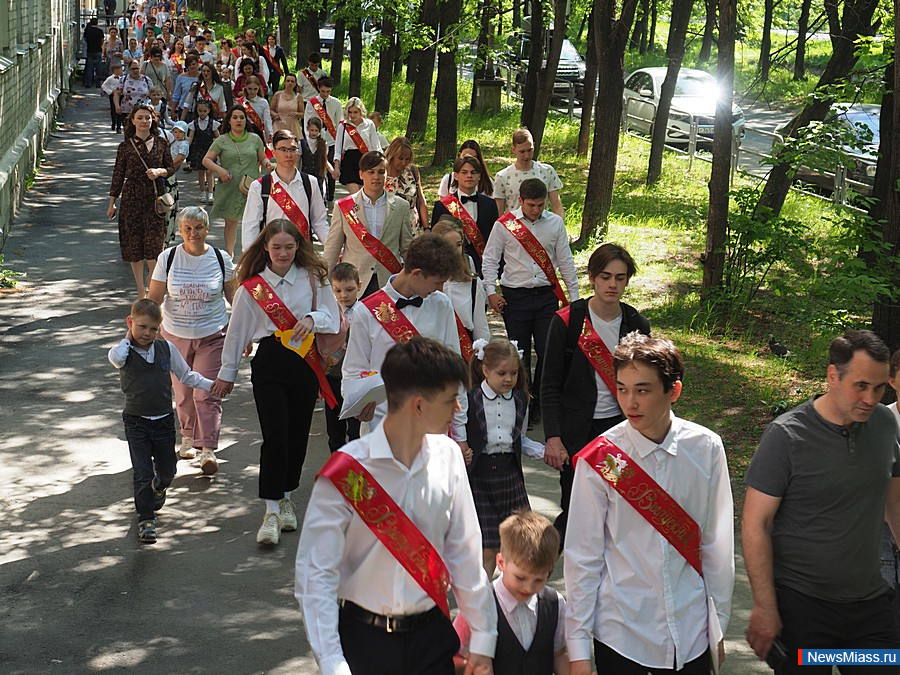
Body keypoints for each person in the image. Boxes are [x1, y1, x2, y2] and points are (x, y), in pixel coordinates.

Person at [295, 336, 497, 675]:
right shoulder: (347, 473)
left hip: (433, 637)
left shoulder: (448, 458)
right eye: (450, 401)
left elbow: (464, 554)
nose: (458, 410)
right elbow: (316, 574)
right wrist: (332, 661)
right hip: (364, 643)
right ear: (418, 406)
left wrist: (483, 638)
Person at [565, 332, 734, 675]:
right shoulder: (602, 458)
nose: (630, 403)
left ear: (674, 391)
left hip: (692, 633)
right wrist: (578, 648)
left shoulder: (707, 448)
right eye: (622, 388)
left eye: (642, 390)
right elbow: (583, 555)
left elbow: (717, 544)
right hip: (622, 634)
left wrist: (718, 624)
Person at [743, 330, 900, 673]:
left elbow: (894, 502)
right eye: (861, 386)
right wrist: (765, 605)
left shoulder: (886, 424)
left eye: (878, 388)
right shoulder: (786, 436)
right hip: (804, 609)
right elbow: (757, 523)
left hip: (871, 607)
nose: (871, 399)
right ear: (833, 375)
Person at [211, 219, 340, 545]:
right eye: (276, 247)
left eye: (289, 246)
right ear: (265, 248)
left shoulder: (314, 277)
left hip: (305, 361)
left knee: (297, 435)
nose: (283, 253)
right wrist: (226, 374)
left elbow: (333, 316)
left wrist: (313, 319)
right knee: (275, 435)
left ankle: (286, 496)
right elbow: (237, 331)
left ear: (298, 247)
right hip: (269, 361)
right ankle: (270, 511)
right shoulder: (251, 287)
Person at [540, 243, 650, 539]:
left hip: (618, 434)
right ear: (591, 277)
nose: (612, 284)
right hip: (576, 437)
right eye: (605, 276)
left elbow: (647, 388)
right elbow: (548, 384)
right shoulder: (568, 321)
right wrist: (553, 437)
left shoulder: (636, 325)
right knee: (576, 508)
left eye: (620, 277)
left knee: (617, 507)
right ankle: (548, 563)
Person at [108, 298, 214, 543]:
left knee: (168, 470)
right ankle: (146, 519)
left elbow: (186, 374)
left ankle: (159, 488)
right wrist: (127, 337)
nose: (148, 333)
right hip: (136, 422)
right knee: (142, 472)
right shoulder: (122, 352)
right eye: (142, 327)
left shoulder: (166, 348)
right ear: (130, 322)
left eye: (154, 328)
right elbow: (116, 359)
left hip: (164, 421)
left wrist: (212, 386)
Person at [340, 233, 468, 435]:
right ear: (416, 273)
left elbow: (454, 368)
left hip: (431, 422)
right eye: (437, 282)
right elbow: (354, 369)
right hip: (382, 423)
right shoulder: (366, 311)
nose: (439, 288)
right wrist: (357, 405)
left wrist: (460, 431)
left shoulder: (441, 304)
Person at [481, 178, 578, 427]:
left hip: (546, 297)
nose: (536, 210)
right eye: (531, 205)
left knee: (549, 351)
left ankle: (543, 402)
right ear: (520, 201)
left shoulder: (555, 223)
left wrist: (575, 299)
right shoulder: (504, 225)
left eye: (541, 205)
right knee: (520, 354)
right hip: (516, 297)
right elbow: (491, 259)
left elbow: (565, 261)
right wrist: (491, 292)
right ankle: (524, 404)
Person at [147, 207, 235, 475]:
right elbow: (153, 299)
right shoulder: (168, 258)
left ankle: (207, 450)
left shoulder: (222, 259)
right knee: (183, 392)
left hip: (213, 335)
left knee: (207, 391)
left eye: (198, 227)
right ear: (180, 231)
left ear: (207, 230)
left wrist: (244, 335)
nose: (193, 233)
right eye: (188, 228)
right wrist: (140, 336)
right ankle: (187, 437)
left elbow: (237, 300)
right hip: (175, 336)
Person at [465, 338, 547, 575]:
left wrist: (545, 453)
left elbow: (519, 439)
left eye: (513, 372)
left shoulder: (521, 399)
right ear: (485, 370)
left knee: (517, 544)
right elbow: (457, 434)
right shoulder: (470, 399)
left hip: (509, 475)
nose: (509, 379)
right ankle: (478, 605)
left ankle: (510, 600)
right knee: (488, 549)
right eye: (501, 373)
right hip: (480, 477)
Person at [454, 512, 569, 675]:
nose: (529, 588)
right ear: (501, 562)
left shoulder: (555, 603)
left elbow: (558, 654)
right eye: (520, 577)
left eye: (539, 580)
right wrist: (470, 667)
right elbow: (454, 657)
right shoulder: (478, 604)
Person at [323, 150, 413, 299]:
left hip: (389, 281)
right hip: (353, 282)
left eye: (380, 172)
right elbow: (333, 247)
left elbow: (407, 248)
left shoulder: (401, 206)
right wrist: (324, 283)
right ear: (361, 174)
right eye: (371, 172)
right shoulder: (343, 207)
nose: (376, 177)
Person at [108, 104, 176, 299]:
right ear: (133, 121)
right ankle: (139, 289)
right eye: (140, 118)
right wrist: (112, 202)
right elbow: (118, 175)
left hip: (155, 199)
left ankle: (153, 288)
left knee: (155, 245)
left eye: (147, 117)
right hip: (132, 199)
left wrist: (159, 172)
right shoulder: (125, 146)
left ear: (153, 119)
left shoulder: (162, 143)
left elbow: (170, 168)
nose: (144, 121)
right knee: (134, 244)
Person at [202, 104, 272, 257]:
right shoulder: (222, 140)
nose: (238, 120)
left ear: (246, 121)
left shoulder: (255, 139)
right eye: (235, 118)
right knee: (231, 223)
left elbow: (262, 157)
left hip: (251, 187)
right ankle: (229, 256)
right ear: (229, 121)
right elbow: (206, 160)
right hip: (229, 187)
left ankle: (253, 257)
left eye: (241, 117)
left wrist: (267, 164)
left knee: (254, 222)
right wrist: (221, 171)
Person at [241, 129, 328, 249]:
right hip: (273, 255)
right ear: (273, 151)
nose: (289, 154)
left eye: (293, 149)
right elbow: (250, 226)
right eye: (283, 150)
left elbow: (319, 222)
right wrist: (248, 258)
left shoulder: (310, 183)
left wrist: (333, 249)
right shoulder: (260, 186)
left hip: (303, 253)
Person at [432, 155, 499, 277]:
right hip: (450, 266)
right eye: (464, 172)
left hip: (482, 267)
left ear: (479, 176)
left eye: (473, 172)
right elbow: (436, 241)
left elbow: (494, 239)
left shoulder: (490, 204)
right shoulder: (442, 206)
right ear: (456, 176)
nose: (469, 176)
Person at [432, 217, 490, 350]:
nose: (455, 251)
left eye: (458, 245)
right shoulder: (423, 284)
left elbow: (481, 329)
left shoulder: (474, 284)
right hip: (433, 352)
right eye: (448, 245)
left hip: (465, 351)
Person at [324, 262, 363, 453]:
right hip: (332, 376)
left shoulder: (365, 313)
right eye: (337, 290)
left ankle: (355, 471)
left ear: (359, 286)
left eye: (349, 290)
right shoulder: (327, 312)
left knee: (356, 431)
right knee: (334, 430)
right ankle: (336, 472)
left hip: (355, 380)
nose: (343, 295)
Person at [493, 129, 564, 220]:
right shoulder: (502, 176)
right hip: (515, 229)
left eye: (530, 150)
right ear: (513, 150)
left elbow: (557, 206)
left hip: (541, 226)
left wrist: (560, 227)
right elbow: (499, 212)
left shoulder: (547, 171)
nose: (527, 155)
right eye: (522, 152)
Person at [332, 97, 381, 195]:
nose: (352, 115)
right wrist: (336, 167)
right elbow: (338, 148)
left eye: (355, 112)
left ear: (361, 111)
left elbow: (376, 146)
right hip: (349, 162)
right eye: (350, 112)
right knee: (355, 195)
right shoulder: (343, 125)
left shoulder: (369, 124)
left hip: (366, 161)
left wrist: (380, 163)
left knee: (365, 195)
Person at [303, 76, 341, 201]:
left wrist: (339, 142)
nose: (325, 94)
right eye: (323, 91)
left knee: (330, 169)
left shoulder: (336, 103)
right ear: (318, 88)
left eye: (328, 92)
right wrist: (309, 139)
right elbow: (306, 122)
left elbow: (339, 123)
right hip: (315, 140)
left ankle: (330, 197)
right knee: (316, 167)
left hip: (331, 140)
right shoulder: (311, 103)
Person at [384, 136, 429, 235]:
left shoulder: (412, 171)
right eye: (400, 158)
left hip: (411, 227)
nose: (404, 162)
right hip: (387, 227)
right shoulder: (381, 172)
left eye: (407, 159)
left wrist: (426, 228)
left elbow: (421, 200)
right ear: (392, 155)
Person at [187, 99, 220, 204]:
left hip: (210, 150)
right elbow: (191, 137)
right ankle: (202, 193)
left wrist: (221, 148)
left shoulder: (213, 123)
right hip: (198, 150)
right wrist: (186, 148)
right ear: (197, 110)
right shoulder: (194, 123)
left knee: (210, 172)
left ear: (209, 111)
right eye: (200, 111)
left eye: (204, 111)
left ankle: (210, 194)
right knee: (201, 173)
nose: (202, 113)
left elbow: (218, 137)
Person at [163, 120, 189, 245]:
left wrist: (168, 167)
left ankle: (167, 238)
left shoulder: (184, 144)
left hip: (170, 173)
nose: (177, 134)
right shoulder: (172, 141)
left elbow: (180, 157)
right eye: (175, 131)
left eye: (180, 132)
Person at [300, 116, 332, 201]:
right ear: (307, 129)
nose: (314, 133)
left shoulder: (323, 143)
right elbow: (297, 161)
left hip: (319, 175)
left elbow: (325, 160)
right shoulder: (302, 143)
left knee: (319, 199)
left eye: (316, 130)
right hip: (306, 174)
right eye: (312, 130)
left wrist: (332, 171)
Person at [236, 75, 272, 146]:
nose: (252, 92)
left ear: (259, 88)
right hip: (243, 132)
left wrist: (270, 135)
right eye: (250, 89)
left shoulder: (263, 102)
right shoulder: (240, 102)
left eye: (255, 89)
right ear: (245, 87)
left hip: (258, 133)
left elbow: (267, 120)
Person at [270, 73, 304, 138]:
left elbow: (303, 114)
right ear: (284, 82)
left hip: (293, 125)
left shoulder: (298, 97)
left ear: (295, 84)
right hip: (278, 124)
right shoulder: (278, 94)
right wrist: (275, 114)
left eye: (292, 81)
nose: (290, 83)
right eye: (288, 81)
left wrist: (296, 114)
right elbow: (270, 110)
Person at [170, 53, 199, 120]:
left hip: (199, 111)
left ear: (197, 64)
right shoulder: (181, 77)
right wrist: (173, 110)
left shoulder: (202, 77)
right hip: (183, 110)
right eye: (189, 65)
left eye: (193, 64)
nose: (191, 66)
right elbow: (176, 95)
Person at [102, 63, 125, 132]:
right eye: (120, 69)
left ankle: (119, 127)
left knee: (120, 110)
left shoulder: (123, 78)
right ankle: (113, 123)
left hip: (121, 95)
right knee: (113, 110)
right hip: (113, 95)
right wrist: (110, 91)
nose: (121, 71)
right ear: (115, 70)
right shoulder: (110, 78)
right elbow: (104, 86)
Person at [84, 18, 106, 88]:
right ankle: (98, 83)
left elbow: (85, 40)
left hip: (89, 50)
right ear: (97, 23)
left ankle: (89, 82)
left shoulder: (87, 31)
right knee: (98, 67)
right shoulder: (100, 31)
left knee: (89, 67)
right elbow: (102, 41)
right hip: (98, 50)